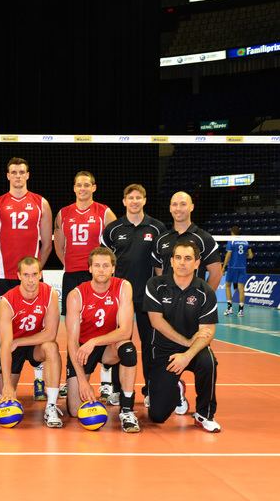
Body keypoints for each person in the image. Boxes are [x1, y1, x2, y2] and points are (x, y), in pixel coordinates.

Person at [0, 157, 52, 399]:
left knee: (37, 325)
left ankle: (39, 380)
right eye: (14, 172)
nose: (18, 176)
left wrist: (32, 273)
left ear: (28, 175)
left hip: (32, 279)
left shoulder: (41, 203)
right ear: (8, 175)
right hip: (4, 277)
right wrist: (3, 266)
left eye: (22, 172)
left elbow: (46, 245)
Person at [152, 191, 221, 412]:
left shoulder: (204, 238)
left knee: (205, 359)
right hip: (167, 314)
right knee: (158, 413)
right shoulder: (162, 239)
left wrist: (200, 303)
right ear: (170, 208)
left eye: (183, 204)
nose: (178, 208)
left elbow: (216, 272)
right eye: (174, 204)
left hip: (193, 314)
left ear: (191, 207)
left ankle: (205, 412)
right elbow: (159, 273)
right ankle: (169, 388)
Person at [146, 239, 220, 432]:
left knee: (208, 362)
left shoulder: (205, 292)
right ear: (171, 261)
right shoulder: (156, 285)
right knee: (157, 416)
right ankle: (177, 390)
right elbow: (157, 322)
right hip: (164, 349)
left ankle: (204, 414)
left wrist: (187, 355)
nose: (182, 262)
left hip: (194, 350)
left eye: (188, 258)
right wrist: (187, 341)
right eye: (178, 257)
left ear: (196, 263)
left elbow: (208, 332)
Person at [101, 184, 166, 406]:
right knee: (120, 343)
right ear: (124, 201)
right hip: (120, 297)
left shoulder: (157, 228)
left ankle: (150, 390)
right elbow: (105, 264)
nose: (135, 201)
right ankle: (118, 390)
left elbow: (160, 266)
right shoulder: (113, 228)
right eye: (131, 198)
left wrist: (161, 294)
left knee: (150, 345)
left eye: (139, 197)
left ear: (145, 200)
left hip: (147, 297)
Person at [53, 171, 115, 401]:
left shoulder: (104, 212)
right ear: (74, 188)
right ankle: (73, 378)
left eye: (87, 185)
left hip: (97, 277)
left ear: (94, 187)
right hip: (72, 276)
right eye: (79, 185)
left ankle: (107, 382)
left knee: (105, 324)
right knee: (73, 330)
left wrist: (100, 269)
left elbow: (114, 241)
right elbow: (59, 246)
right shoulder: (64, 213)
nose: (82, 188)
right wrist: (72, 264)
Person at [65, 247, 140, 433]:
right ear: (89, 268)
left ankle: (127, 408)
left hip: (109, 346)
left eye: (106, 265)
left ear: (113, 268)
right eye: (97, 265)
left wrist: (94, 342)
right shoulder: (76, 295)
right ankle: (85, 381)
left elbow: (125, 330)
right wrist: (83, 381)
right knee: (75, 411)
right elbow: (72, 342)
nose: (101, 270)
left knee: (128, 349)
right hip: (83, 350)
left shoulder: (123, 287)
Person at [0, 256, 63, 428]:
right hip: (12, 346)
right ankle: (9, 386)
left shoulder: (50, 294)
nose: (31, 280)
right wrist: (8, 386)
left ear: (40, 274)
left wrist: (20, 341)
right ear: (18, 276)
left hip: (35, 344)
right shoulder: (7, 301)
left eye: (34, 274)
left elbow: (50, 334)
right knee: (4, 394)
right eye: (26, 275)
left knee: (52, 347)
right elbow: (5, 345)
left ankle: (52, 406)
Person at [223, 226, 253, 317]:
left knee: (228, 286)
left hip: (232, 267)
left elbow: (228, 254)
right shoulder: (246, 241)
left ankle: (229, 308)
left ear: (232, 233)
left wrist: (223, 266)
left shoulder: (231, 241)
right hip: (242, 267)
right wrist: (243, 257)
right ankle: (240, 311)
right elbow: (251, 256)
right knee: (241, 289)